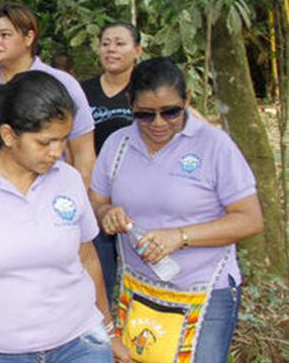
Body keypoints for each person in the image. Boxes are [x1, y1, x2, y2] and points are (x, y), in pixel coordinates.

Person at [0, 71, 128, 363]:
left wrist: (108, 330)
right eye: (45, 142)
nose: (57, 152)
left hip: (81, 344)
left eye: (63, 140)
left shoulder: (67, 180)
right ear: (9, 135)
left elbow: (87, 258)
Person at [90, 57, 263, 361]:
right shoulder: (117, 144)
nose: (158, 123)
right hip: (140, 290)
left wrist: (181, 236)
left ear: (187, 100)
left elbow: (250, 220)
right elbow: (96, 201)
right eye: (145, 114)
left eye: (171, 112)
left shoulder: (214, 145)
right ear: (130, 103)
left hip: (205, 291)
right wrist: (106, 214)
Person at [0, 4, 95, 190]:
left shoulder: (62, 84)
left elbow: (83, 152)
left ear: (29, 37)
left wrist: (77, 200)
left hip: (47, 190)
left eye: (5, 35)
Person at [80, 22, 142, 298]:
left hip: (139, 194)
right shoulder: (82, 91)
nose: (111, 50)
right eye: (106, 43)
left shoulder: (148, 89)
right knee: (98, 272)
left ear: (137, 50)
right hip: (95, 195)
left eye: (120, 43)